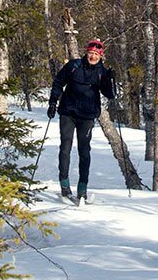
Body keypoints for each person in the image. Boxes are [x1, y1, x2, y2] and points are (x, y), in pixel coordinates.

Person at [47, 38, 116, 202]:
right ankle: (64, 184)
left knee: (84, 152)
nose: (93, 57)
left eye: (96, 54)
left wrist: (110, 79)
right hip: (68, 112)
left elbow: (110, 95)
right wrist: (52, 102)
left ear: (101, 56)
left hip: (87, 116)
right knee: (65, 148)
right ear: (86, 52)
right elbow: (58, 82)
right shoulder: (73, 66)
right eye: (91, 53)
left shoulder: (102, 72)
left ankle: (82, 189)